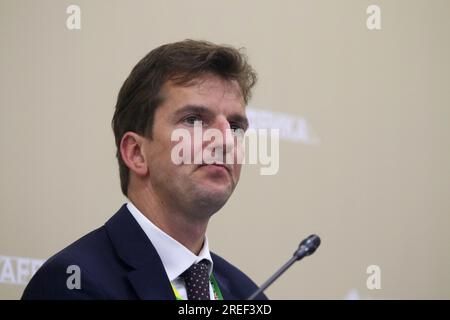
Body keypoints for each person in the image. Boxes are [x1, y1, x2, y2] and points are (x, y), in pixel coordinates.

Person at [22, 39, 267, 300]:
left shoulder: (248, 295)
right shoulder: (72, 283)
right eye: (194, 120)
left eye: (235, 126)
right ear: (136, 153)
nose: (225, 140)